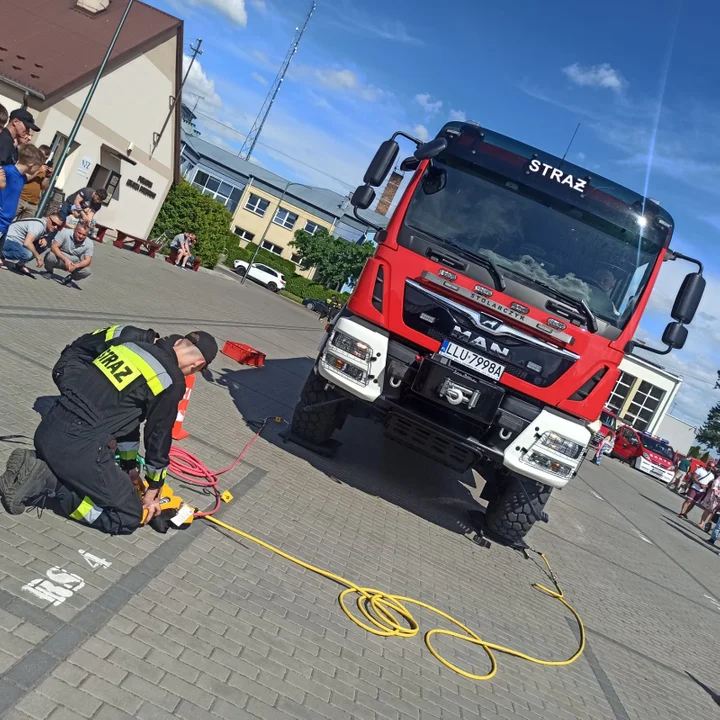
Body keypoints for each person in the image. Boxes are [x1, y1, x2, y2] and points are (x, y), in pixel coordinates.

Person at [0, 330, 218, 535]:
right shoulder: (171, 381)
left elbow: (127, 421)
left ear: (179, 342)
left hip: (48, 430)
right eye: (197, 371)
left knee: (105, 477)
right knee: (128, 517)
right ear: (198, 364)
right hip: (78, 449)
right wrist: (153, 488)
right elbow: (158, 438)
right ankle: (50, 482)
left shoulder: (130, 347)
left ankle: (42, 466)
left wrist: (129, 468)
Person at [52, 323, 159, 393]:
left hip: (85, 364)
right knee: (81, 401)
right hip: (72, 365)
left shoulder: (141, 337)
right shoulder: (126, 341)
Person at [0, 144, 44, 267]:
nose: (38, 170)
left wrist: (38, 172)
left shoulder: (22, 177)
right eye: (37, 167)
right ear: (30, 165)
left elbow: (28, 176)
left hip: (6, 222)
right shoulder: (6, 171)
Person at [1, 213, 64, 277]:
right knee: (27, 254)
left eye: (58, 226)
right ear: (48, 218)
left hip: (17, 242)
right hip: (7, 240)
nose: (55, 227)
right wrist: (38, 257)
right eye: (54, 223)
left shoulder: (46, 225)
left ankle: (20, 264)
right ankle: (1, 255)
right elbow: (27, 243)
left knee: (45, 245)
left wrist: (44, 238)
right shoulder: (38, 225)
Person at [44, 221, 93, 286]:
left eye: (84, 235)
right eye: (79, 233)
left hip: (74, 263)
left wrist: (76, 265)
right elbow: (54, 247)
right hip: (60, 258)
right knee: (50, 256)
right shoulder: (65, 232)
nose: (81, 236)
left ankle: (70, 278)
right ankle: (49, 271)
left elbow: (88, 261)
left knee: (87, 271)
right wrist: (66, 260)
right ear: (75, 230)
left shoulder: (89, 243)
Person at [15, 144, 52, 220]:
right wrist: (38, 171)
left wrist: (48, 176)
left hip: (33, 203)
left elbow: (44, 187)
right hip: (21, 198)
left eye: (46, 158)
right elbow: (25, 178)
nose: (43, 160)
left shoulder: (44, 167)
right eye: (42, 156)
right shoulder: (30, 163)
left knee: (22, 226)